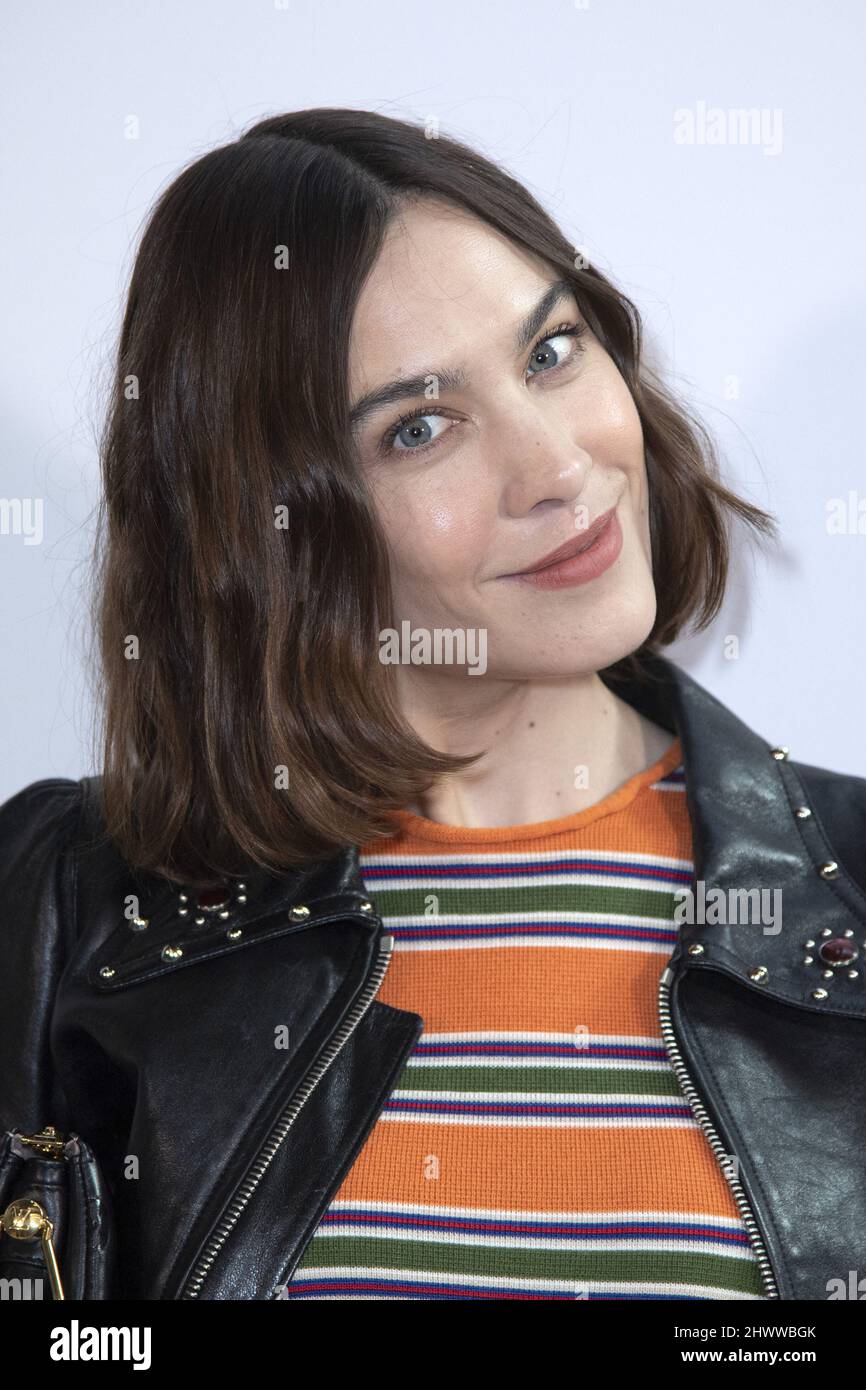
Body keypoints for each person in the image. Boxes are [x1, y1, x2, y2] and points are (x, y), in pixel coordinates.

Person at [2, 108, 865, 1303]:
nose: (557, 467)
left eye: (549, 352)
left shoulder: (844, 891)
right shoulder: (69, 910)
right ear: (269, 528)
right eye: (419, 427)